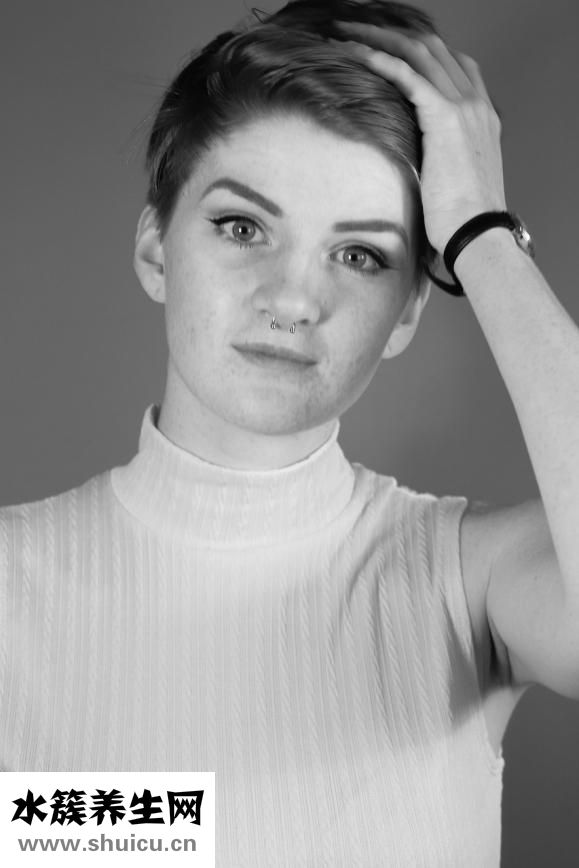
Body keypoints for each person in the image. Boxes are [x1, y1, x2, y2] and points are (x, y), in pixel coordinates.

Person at [1, 0, 578, 865]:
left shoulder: (471, 585)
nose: (294, 300)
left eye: (360, 255)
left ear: (406, 314)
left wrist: (480, 232)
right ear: (156, 250)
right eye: (242, 227)